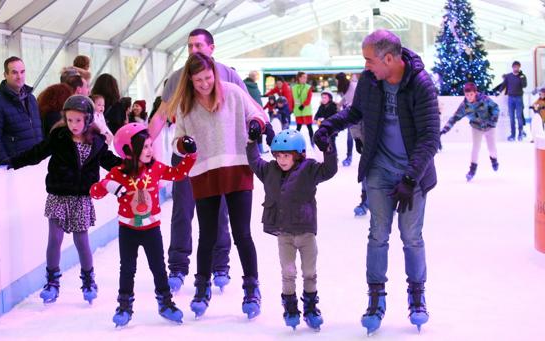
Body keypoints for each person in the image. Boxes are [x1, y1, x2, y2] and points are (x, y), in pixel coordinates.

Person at [314, 29, 439, 334]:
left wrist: (410, 179)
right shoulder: (370, 81)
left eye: (369, 60)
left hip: (413, 173)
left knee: (411, 237)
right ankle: (376, 298)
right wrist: (329, 126)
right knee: (377, 235)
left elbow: (429, 138)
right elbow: (356, 112)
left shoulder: (421, 85)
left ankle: (416, 296)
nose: (366, 66)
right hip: (379, 171)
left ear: (388, 58)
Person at [148, 28, 256, 293]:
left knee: (220, 214)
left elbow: (251, 108)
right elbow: (162, 115)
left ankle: (221, 265)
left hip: (223, 153)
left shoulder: (228, 76)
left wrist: (259, 137)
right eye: (189, 46)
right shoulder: (177, 79)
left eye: (199, 45)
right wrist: (145, 143)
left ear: (211, 48)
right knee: (182, 209)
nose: (194, 50)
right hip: (188, 152)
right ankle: (178, 265)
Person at [168, 52, 267, 319]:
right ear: (190, 79)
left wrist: (256, 126)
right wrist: (183, 144)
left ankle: (251, 289)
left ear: (215, 72)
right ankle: (202, 288)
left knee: (242, 234)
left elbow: (258, 115)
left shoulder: (233, 92)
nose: (204, 84)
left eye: (208, 77)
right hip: (205, 173)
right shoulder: (186, 105)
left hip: (237, 169)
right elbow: (176, 139)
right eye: (198, 80)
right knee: (207, 235)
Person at [8, 95, 120, 305]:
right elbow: (38, 152)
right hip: (58, 195)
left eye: (78, 120)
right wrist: (13, 162)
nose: (73, 125)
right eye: (70, 120)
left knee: (81, 241)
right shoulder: (59, 137)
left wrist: (131, 169)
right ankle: (52, 282)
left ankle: (88, 281)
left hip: (80, 198)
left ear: (87, 120)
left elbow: (110, 162)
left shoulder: (96, 143)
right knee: (55, 239)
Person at [90, 123, 196, 326]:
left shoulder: (155, 168)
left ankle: (165, 303)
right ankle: (124, 306)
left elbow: (178, 174)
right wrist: (106, 185)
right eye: (145, 147)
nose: (150, 150)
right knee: (127, 269)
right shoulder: (118, 173)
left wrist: (191, 155)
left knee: (158, 267)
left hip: (151, 230)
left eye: (150, 145)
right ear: (129, 151)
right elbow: (94, 192)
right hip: (128, 230)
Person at [246, 129, 337, 330]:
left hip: (305, 232)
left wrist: (328, 148)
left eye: (286, 155)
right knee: (288, 272)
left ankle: (311, 309)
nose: (281, 159)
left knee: (309, 272)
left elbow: (329, 170)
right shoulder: (269, 170)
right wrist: (252, 141)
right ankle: (290, 308)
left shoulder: (309, 169)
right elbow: (254, 162)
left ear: (298, 154)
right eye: (278, 155)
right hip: (284, 234)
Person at [0, 56, 43, 166]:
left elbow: (38, 129)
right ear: (5, 75)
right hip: (15, 168)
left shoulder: (31, 99)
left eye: (22, 72)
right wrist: (6, 163)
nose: (19, 76)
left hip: (35, 164)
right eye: (14, 72)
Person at [441, 82, 499, 181]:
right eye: (467, 95)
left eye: (471, 94)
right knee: (475, 148)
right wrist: (445, 129)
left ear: (475, 93)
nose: (469, 97)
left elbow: (495, 108)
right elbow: (454, 118)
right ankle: (472, 170)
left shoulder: (484, 99)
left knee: (491, 148)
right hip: (476, 127)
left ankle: (494, 159)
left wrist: (492, 121)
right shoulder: (464, 106)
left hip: (489, 127)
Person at [493, 60, 527, 141]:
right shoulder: (508, 76)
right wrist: (498, 92)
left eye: (518, 67)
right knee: (511, 117)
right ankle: (512, 135)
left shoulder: (522, 76)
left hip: (519, 98)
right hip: (510, 98)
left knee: (519, 116)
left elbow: (524, 85)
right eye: (515, 67)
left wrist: (521, 77)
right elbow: (503, 85)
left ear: (519, 67)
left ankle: (520, 133)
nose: (516, 68)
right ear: (512, 67)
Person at [336, 72, 357, 166]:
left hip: (358, 114)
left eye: (337, 81)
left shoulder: (352, 86)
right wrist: (339, 104)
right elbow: (345, 99)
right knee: (350, 137)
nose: (336, 83)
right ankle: (349, 157)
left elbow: (356, 99)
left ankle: (350, 157)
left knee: (357, 137)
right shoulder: (345, 88)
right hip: (351, 114)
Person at [292, 72, 314, 147]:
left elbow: (309, 99)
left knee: (309, 127)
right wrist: (291, 108)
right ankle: (295, 142)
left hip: (307, 111)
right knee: (298, 128)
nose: (305, 79)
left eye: (306, 77)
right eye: (304, 77)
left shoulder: (308, 87)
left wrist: (303, 105)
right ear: (299, 78)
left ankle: (313, 142)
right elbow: (292, 99)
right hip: (298, 111)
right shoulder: (294, 88)